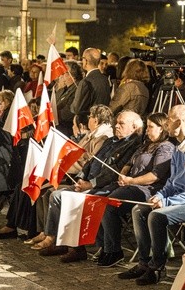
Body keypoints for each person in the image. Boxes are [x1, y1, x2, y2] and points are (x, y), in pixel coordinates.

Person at [119, 104, 185, 284]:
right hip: (184, 200)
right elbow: (173, 183)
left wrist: (167, 202)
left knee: (156, 216)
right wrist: (161, 196)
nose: (166, 123)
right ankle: (144, 263)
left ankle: (157, 267)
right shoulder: (179, 148)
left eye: (169, 119)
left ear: (179, 122)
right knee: (139, 211)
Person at [57, 112, 174, 264]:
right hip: (128, 183)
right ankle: (104, 246)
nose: (147, 130)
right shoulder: (145, 144)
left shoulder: (165, 148)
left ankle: (114, 250)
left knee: (108, 204)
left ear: (162, 128)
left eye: (151, 127)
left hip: (147, 189)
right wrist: (124, 173)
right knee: (95, 200)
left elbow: (155, 176)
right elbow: (129, 163)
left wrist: (132, 180)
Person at [32, 110, 142, 258]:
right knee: (54, 195)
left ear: (134, 127)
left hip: (104, 186)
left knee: (71, 199)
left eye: (121, 124)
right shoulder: (110, 141)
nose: (116, 126)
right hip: (87, 182)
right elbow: (91, 161)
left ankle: (76, 248)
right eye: (116, 123)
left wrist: (90, 184)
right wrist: (80, 178)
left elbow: (113, 172)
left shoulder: (133, 145)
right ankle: (57, 240)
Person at [71, 47, 111, 115]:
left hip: (88, 122)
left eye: (82, 58)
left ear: (86, 61)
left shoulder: (86, 82)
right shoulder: (105, 79)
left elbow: (76, 108)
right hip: (101, 120)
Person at [53, 61, 82, 137]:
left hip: (67, 129)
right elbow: (54, 103)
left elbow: (68, 113)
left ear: (72, 75)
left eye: (63, 73)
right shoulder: (64, 88)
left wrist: (53, 114)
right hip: (58, 127)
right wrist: (59, 89)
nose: (61, 76)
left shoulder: (77, 88)